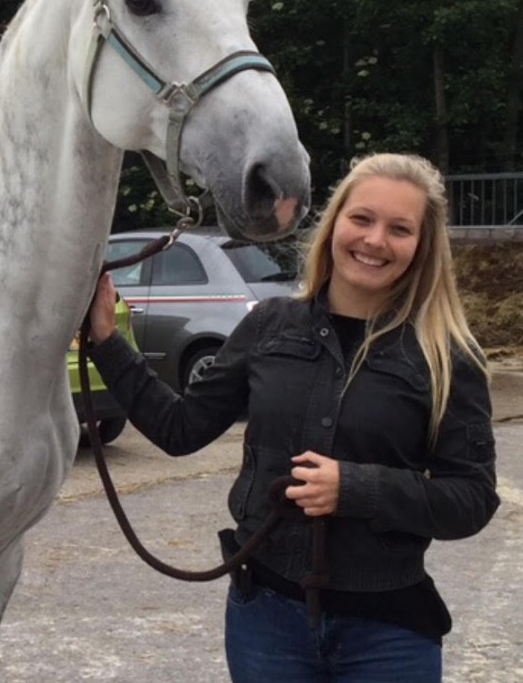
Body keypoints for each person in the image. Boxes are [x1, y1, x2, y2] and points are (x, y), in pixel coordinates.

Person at [89, 153, 499, 683]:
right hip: (266, 621)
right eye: (362, 219)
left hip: (388, 633)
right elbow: (180, 428)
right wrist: (106, 340)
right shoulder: (269, 327)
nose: (375, 240)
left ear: (421, 247)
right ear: (335, 224)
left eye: (400, 229)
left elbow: (471, 500)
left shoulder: (447, 355)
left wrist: (357, 488)